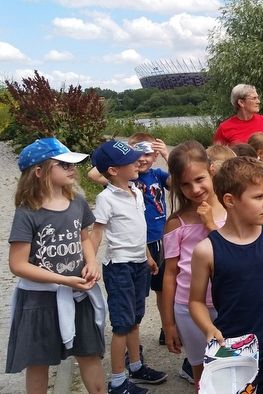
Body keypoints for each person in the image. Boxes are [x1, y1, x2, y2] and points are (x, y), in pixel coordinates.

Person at [189, 157, 263, 392]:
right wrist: (208, 328)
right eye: (259, 197)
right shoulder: (206, 250)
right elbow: (196, 301)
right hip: (231, 352)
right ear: (230, 200)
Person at [5, 138, 105, 394]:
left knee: (89, 353)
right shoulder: (27, 212)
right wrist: (63, 280)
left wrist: (91, 262)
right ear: (39, 172)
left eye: (72, 164)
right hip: (39, 300)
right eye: (64, 165)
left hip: (78, 294)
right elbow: (17, 264)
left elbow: (84, 238)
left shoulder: (78, 202)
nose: (72, 169)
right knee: (38, 361)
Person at [90, 140, 167, 393]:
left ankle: (136, 366)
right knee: (122, 325)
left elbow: (138, 228)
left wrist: (147, 255)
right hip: (120, 267)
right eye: (130, 161)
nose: (137, 162)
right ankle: (117, 381)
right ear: (113, 170)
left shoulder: (136, 191)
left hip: (139, 264)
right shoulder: (106, 198)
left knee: (134, 320)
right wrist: (89, 262)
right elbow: (97, 233)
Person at [161, 141, 227, 389]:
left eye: (199, 179)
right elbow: (170, 274)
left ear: (212, 170)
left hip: (228, 303)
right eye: (185, 184)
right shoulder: (176, 223)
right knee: (202, 374)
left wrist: (210, 225)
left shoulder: (233, 211)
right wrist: (168, 324)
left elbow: (236, 254)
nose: (195, 189)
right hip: (188, 309)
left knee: (232, 368)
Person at [213, 83, 263, 166]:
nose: (258, 101)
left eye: (257, 98)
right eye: (254, 98)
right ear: (241, 102)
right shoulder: (224, 128)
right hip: (237, 172)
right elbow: (215, 154)